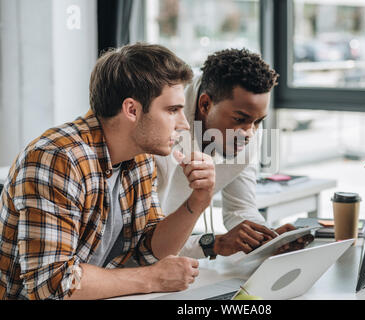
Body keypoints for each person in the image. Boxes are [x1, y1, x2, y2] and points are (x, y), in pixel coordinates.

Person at [0, 43, 215, 300]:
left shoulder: (140, 158)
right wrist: (153, 278)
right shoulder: (57, 158)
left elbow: (148, 250)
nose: (183, 125)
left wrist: (198, 201)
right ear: (132, 110)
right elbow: (51, 284)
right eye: (172, 110)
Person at [156, 48, 311, 260]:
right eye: (239, 119)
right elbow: (145, 243)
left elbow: (240, 209)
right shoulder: (163, 130)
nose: (249, 134)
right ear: (205, 104)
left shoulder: (249, 127)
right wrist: (215, 243)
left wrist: (267, 239)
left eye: (258, 121)